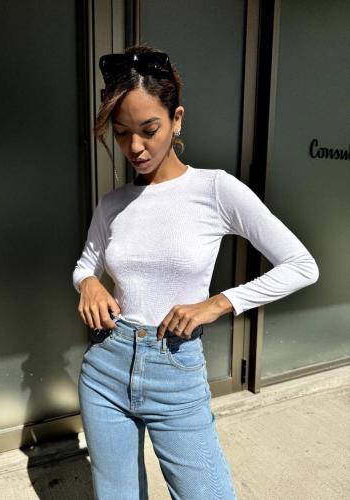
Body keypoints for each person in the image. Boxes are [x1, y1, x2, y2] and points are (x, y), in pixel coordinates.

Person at [72, 44, 319, 500]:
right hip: (106, 366)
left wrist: (219, 303)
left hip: (175, 369)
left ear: (177, 119)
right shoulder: (113, 204)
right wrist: (88, 283)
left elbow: (302, 265)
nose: (135, 147)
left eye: (149, 130)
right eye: (122, 134)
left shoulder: (215, 189)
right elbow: (86, 264)